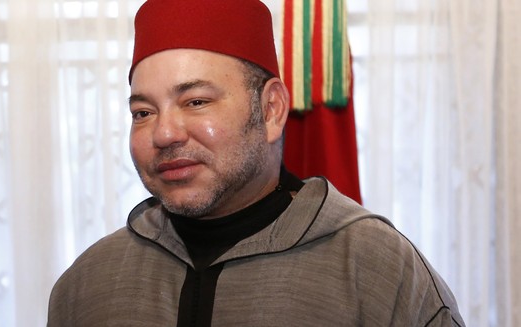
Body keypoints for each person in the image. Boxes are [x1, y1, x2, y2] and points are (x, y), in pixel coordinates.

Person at [47, 0, 465, 326]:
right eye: (143, 112)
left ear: (270, 110)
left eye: (196, 101)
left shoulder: (377, 270)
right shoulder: (87, 283)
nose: (164, 134)